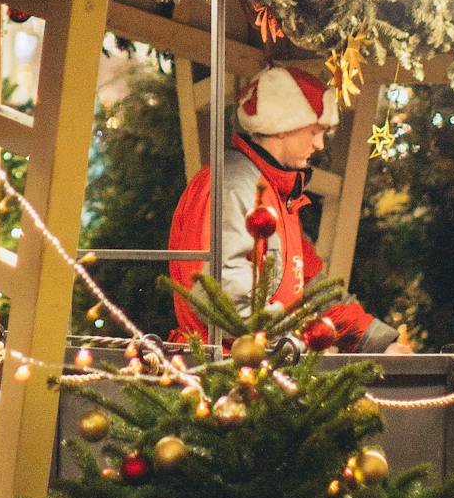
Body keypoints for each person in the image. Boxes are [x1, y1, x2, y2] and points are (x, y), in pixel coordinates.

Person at [168, 61, 409, 352]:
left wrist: (376, 342)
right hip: (231, 377)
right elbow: (225, 302)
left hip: (261, 367)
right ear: (282, 127)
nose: (320, 144)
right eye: (314, 131)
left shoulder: (275, 193)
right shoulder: (236, 188)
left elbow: (313, 292)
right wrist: (293, 345)